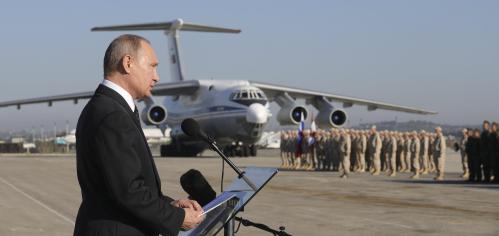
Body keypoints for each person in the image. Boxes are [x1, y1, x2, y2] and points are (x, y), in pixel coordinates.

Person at [74, 35, 204, 236]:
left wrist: (171, 205)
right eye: (152, 66)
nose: (156, 77)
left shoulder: (108, 107)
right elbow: (128, 191)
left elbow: (126, 185)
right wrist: (177, 217)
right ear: (128, 63)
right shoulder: (112, 115)